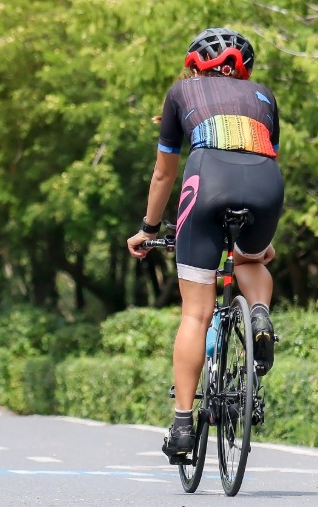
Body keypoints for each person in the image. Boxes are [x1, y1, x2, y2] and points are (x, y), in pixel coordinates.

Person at [125, 27, 283, 460]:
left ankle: (180, 427)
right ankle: (260, 315)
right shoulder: (264, 97)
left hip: (207, 179)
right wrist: (262, 240)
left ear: (194, 64)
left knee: (196, 313)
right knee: (252, 258)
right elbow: (265, 156)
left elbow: (163, 174)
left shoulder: (181, 92)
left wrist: (148, 227)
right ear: (245, 68)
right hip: (265, 186)